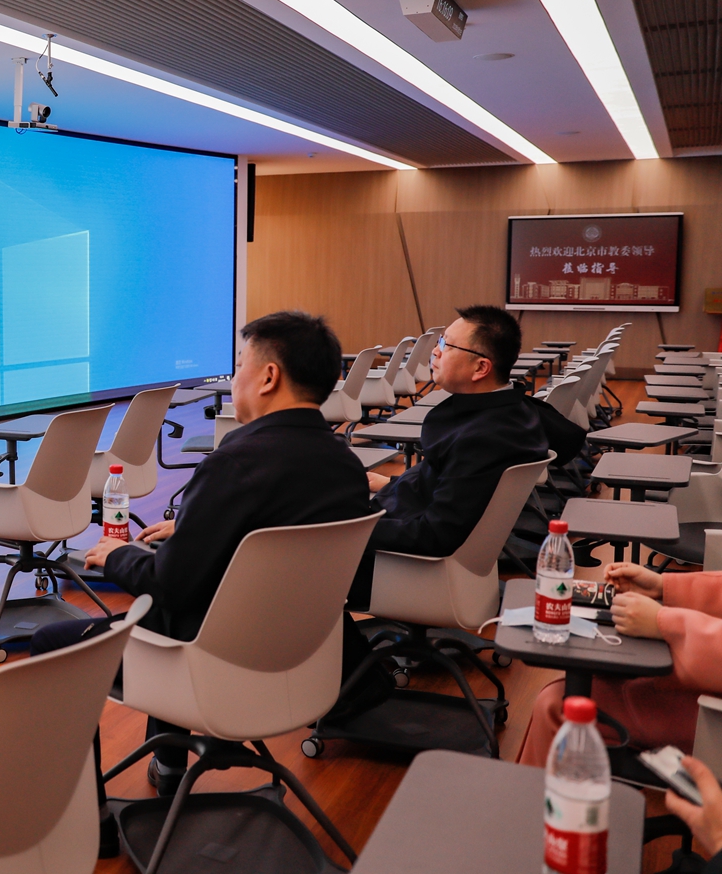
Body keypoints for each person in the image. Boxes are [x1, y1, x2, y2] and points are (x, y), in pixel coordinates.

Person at [30, 310, 371, 794]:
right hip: (305, 664)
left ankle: (87, 813)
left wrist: (116, 555)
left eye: (240, 365)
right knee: (176, 608)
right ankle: (168, 765)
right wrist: (196, 527)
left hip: (214, 667)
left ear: (268, 377)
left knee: (56, 642)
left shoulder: (235, 463)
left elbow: (171, 584)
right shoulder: (345, 466)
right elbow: (276, 535)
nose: (234, 378)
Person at [346, 305, 585, 607]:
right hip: (404, 533)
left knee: (295, 561)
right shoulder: (510, 413)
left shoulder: (485, 438)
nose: (435, 351)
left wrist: (348, 530)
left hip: (401, 568)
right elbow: (448, 483)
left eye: (446, 345)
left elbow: (434, 535)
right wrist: (391, 484)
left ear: (480, 368)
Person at [518, 562, 722, 766]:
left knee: (558, 705)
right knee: (583, 686)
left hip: (712, 717)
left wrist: (665, 623)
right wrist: (664, 586)